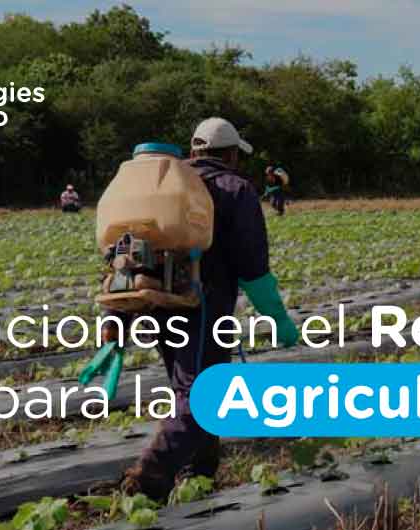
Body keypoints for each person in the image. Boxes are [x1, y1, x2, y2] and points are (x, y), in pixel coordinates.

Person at [114, 117, 301, 500]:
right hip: (202, 307)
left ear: (194, 148)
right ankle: (151, 475)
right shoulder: (235, 189)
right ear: (231, 154)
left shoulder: (164, 184)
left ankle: (201, 473)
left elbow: (124, 255)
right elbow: (253, 266)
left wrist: (116, 317)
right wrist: (278, 319)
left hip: (156, 301)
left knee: (187, 388)